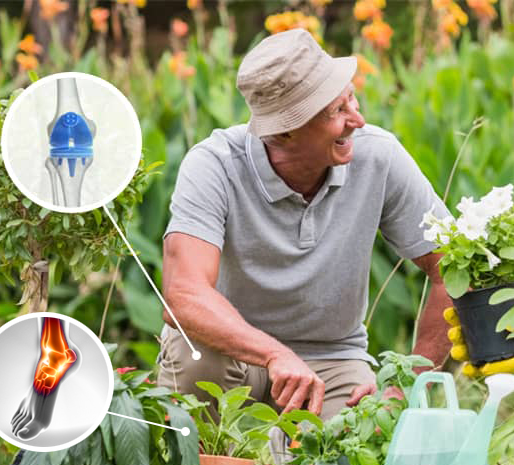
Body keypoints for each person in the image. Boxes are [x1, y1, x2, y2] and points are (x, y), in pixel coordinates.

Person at [156, 29, 452, 419]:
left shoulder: (379, 156)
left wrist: (405, 383)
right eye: (337, 112)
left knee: (361, 449)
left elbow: (451, 266)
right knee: (192, 358)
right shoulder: (214, 164)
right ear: (285, 131)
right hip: (230, 351)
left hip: (333, 358)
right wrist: (274, 353)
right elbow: (184, 293)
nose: (357, 120)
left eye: (352, 99)